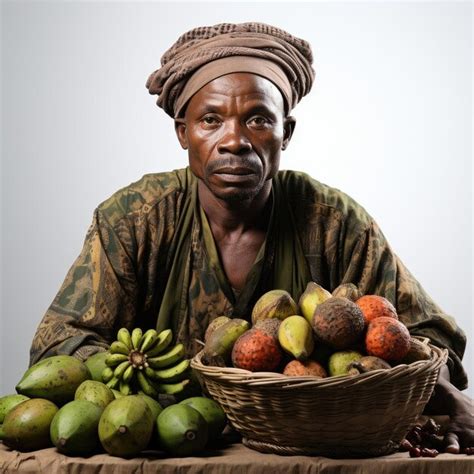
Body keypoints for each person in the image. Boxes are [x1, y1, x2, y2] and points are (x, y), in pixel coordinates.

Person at [29, 22, 472, 452]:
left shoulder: (334, 222)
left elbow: (426, 334)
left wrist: (444, 395)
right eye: (210, 120)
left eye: (258, 119)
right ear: (183, 133)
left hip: (309, 443)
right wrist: (156, 390)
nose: (235, 141)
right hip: (168, 444)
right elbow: (60, 341)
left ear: (287, 133)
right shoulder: (135, 219)